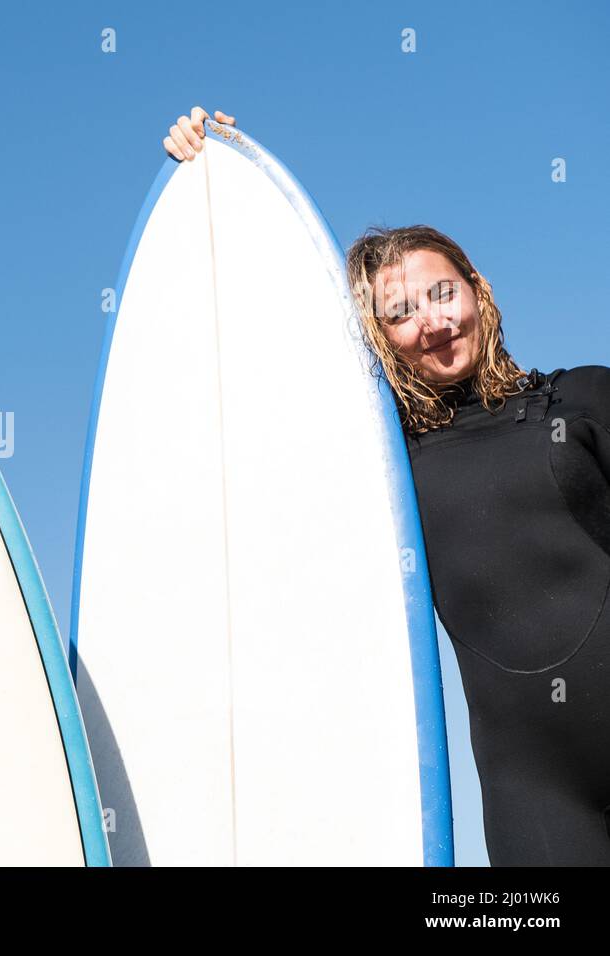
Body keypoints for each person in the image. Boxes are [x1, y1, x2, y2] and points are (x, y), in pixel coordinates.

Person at [165, 106, 610, 865]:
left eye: (441, 295)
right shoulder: (385, 470)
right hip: (536, 796)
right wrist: (218, 180)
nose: (431, 323)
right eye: (398, 313)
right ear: (379, 337)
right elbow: (251, 375)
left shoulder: (586, 395)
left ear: (480, 290)